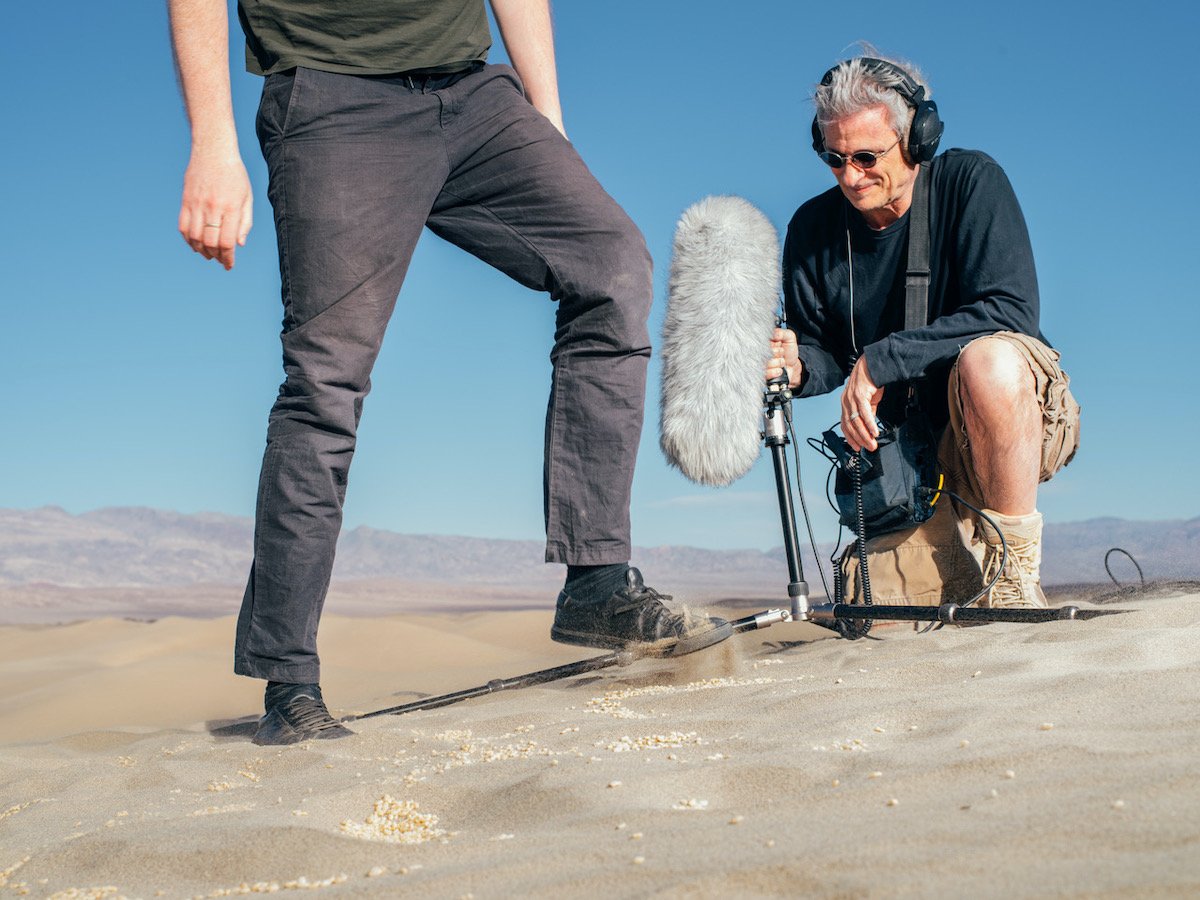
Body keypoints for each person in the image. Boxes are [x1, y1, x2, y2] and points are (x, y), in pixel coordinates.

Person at [168, 0, 730, 746]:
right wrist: (213, 141)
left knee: (612, 267)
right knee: (325, 385)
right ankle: (289, 683)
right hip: (332, 101)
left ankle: (595, 581)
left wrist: (547, 113)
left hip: (473, 92)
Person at [766, 52, 1080, 611]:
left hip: (1003, 418)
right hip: (907, 464)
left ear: (918, 139)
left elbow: (1009, 310)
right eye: (833, 158)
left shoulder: (972, 182)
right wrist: (798, 366)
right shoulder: (811, 230)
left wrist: (882, 360)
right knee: (882, 622)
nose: (849, 176)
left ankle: (1012, 574)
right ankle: (949, 560)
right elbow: (829, 353)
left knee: (990, 360)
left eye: (866, 156)